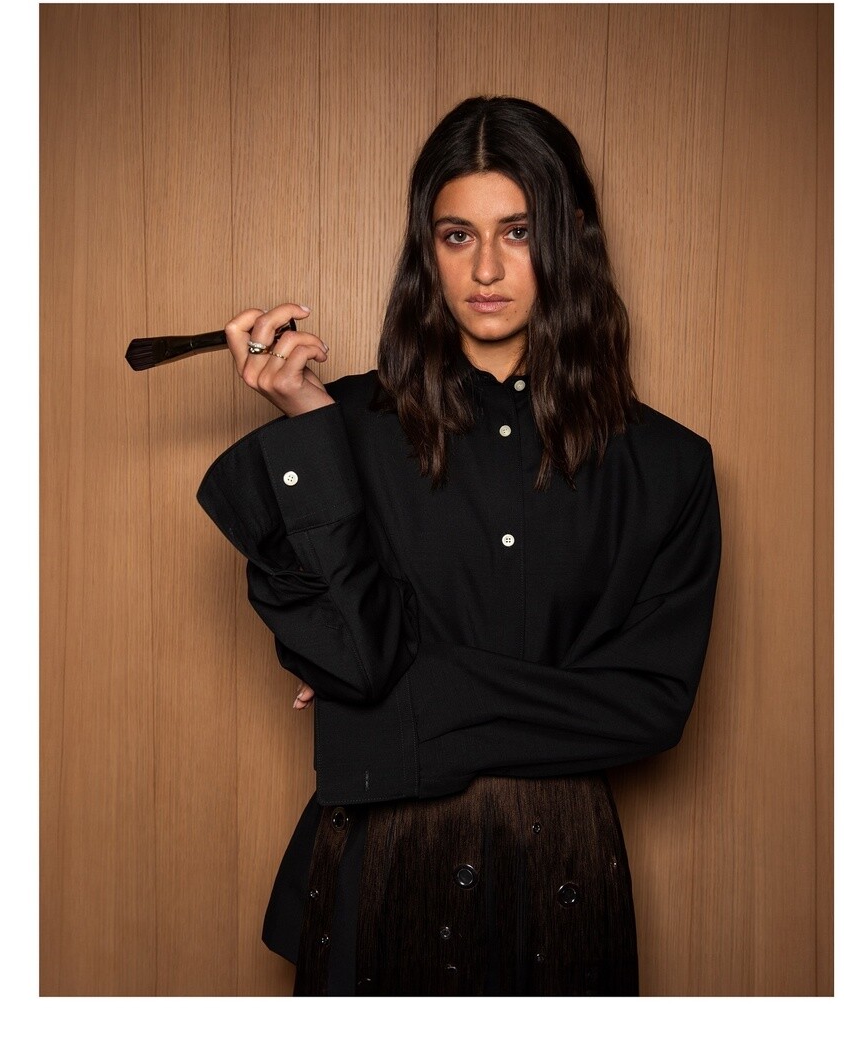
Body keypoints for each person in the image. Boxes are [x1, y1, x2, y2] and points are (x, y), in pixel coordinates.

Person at [197, 96, 722, 996]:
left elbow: (648, 710)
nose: (485, 268)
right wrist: (310, 429)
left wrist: (398, 708)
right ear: (425, 249)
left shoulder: (668, 465)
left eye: (516, 232)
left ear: (570, 236)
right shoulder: (336, 434)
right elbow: (357, 663)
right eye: (455, 236)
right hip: (376, 866)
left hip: (562, 879)